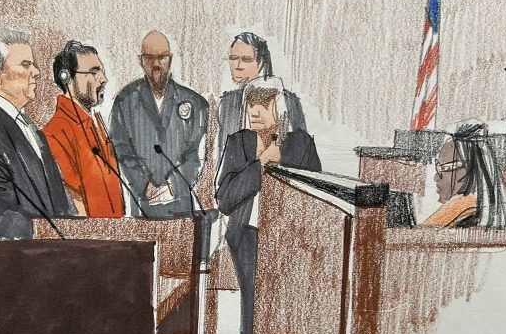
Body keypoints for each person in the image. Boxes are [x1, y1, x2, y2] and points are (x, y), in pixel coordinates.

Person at [215, 77, 321, 334]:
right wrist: (260, 164)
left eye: (264, 104)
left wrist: (281, 159)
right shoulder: (238, 143)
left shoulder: (300, 143)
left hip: (290, 241)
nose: (255, 111)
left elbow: (315, 194)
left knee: (289, 311)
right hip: (247, 236)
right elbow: (224, 198)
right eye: (251, 104)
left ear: (281, 108)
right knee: (252, 310)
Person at [0, 30, 74, 241]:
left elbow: (61, 203)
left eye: (33, 64)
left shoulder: (32, 131)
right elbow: (1, 223)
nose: (36, 72)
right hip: (18, 257)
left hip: (54, 253)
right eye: (25, 65)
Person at [110, 30, 209, 218]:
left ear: (170, 60)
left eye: (162, 57)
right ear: (141, 61)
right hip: (143, 206)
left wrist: (173, 186)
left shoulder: (195, 103)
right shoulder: (125, 101)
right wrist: (144, 186)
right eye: (149, 58)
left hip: (181, 206)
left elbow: (196, 154)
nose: (156, 64)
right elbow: (121, 150)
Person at [42, 40, 125, 217]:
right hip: (93, 232)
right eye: (94, 72)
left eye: (101, 71)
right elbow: (73, 204)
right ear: (66, 78)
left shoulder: (97, 124)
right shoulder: (55, 133)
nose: (103, 79)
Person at [217, 32, 308, 162]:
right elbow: (222, 155)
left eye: (246, 59)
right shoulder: (227, 103)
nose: (237, 66)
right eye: (233, 58)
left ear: (260, 63)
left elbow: (301, 154)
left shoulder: (290, 101)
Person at [423, 121, 506, 228]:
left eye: (443, 168)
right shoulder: (487, 205)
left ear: (466, 170)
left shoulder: (463, 203)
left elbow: (419, 233)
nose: (436, 178)